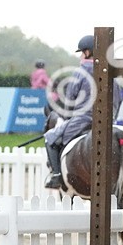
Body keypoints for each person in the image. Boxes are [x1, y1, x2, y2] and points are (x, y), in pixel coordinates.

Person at [43, 35, 100, 190]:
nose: (81, 56)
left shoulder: (81, 72)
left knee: (50, 137)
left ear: (88, 52)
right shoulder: (112, 74)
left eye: (82, 53)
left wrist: (67, 117)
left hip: (83, 119)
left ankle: (56, 176)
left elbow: (69, 102)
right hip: (108, 120)